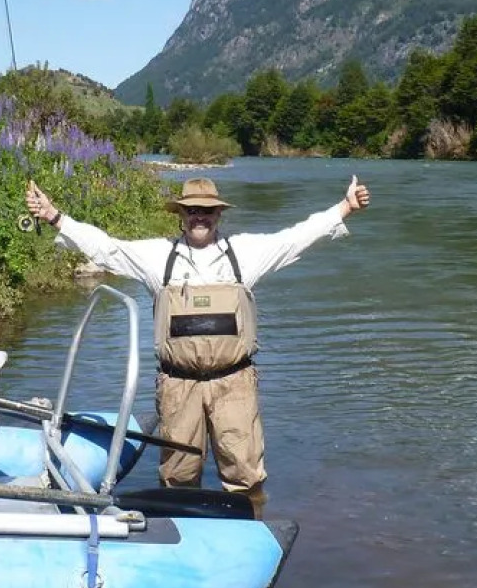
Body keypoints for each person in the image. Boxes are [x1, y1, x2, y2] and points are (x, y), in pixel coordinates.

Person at [24, 174, 371, 516]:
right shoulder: (157, 257)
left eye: (207, 210)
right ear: (181, 215)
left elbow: (295, 238)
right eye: (192, 211)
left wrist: (345, 207)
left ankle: (250, 531)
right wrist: (55, 216)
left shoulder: (246, 254)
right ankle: (181, 537)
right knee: (178, 474)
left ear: (219, 214)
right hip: (178, 386)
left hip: (234, 384)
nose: (200, 217)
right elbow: (107, 247)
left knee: (245, 474)